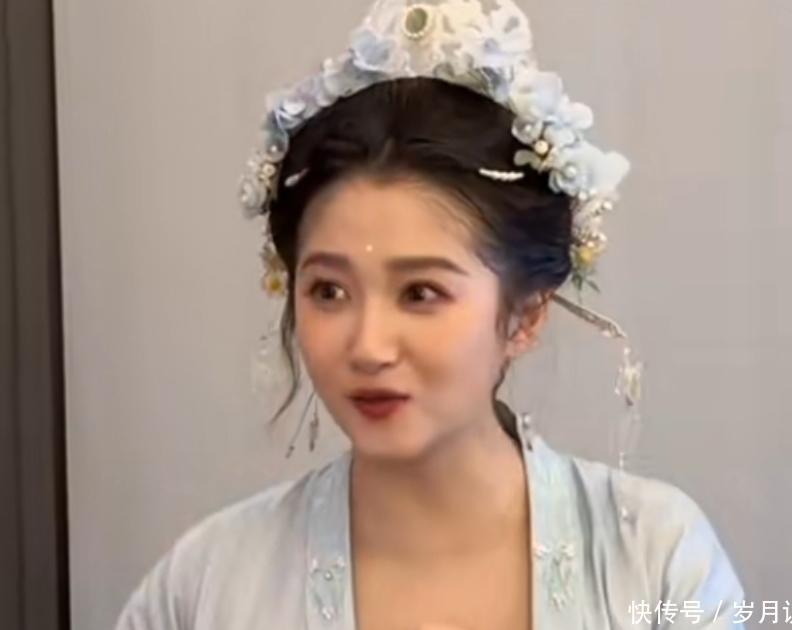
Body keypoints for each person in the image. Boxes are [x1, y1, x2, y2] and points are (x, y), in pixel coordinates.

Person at [115, 1, 746, 628]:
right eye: (329, 291)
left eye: (420, 293)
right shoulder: (208, 583)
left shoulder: (655, 559)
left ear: (525, 316)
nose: (368, 346)